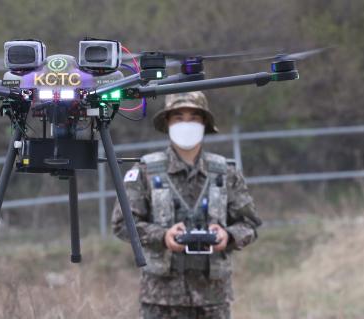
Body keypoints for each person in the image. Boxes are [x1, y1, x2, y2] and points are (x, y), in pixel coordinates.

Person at [111, 91, 262, 319]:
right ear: (168, 123)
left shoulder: (226, 172)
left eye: (194, 118)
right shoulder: (144, 172)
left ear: (204, 123)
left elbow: (249, 223)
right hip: (161, 300)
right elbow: (123, 223)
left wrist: (227, 235)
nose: (186, 124)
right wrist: (162, 236)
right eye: (178, 117)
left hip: (213, 300)